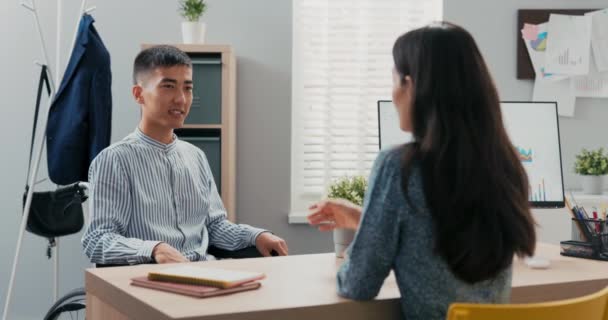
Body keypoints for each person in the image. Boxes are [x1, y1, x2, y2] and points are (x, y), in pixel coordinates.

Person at [308, 22, 536, 320]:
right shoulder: (504, 165)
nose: (392, 95)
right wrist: (364, 220)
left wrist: (365, 244)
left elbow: (357, 284)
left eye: (394, 81)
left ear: (411, 85)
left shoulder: (398, 168)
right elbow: (436, 237)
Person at [82, 45, 288, 265]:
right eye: (168, 86)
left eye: (187, 88)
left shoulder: (196, 156)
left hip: (203, 275)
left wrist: (256, 235)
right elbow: (98, 240)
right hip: (149, 281)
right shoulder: (114, 160)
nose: (181, 99)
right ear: (138, 94)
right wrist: (155, 249)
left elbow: (214, 227)